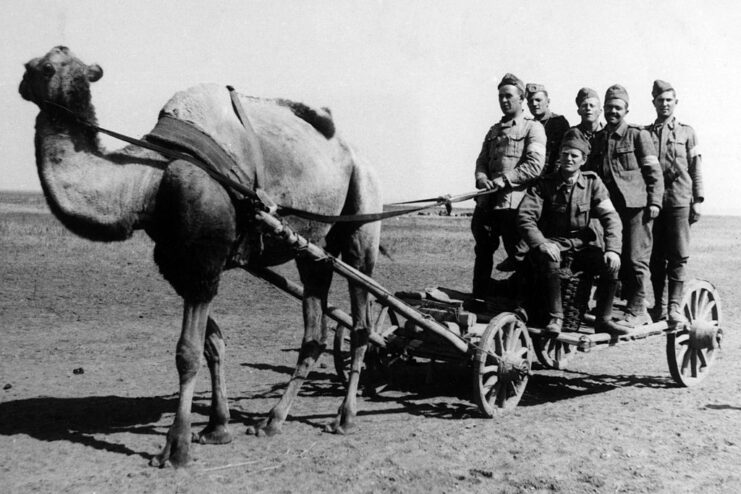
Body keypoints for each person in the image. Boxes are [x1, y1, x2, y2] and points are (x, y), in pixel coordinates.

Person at [518, 130, 626, 334]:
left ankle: (603, 319)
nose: (569, 159)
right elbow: (525, 217)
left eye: (574, 155)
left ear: (583, 160)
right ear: (559, 156)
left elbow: (611, 218)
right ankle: (556, 318)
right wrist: (541, 243)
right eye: (565, 154)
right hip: (552, 244)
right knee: (550, 261)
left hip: (580, 246)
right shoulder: (544, 185)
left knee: (610, 265)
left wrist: (613, 250)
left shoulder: (593, 183)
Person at [586, 85, 664, 325]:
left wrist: (655, 202)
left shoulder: (638, 135)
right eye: (609, 107)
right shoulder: (599, 138)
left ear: (626, 110)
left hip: (636, 206)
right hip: (609, 208)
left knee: (635, 258)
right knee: (610, 256)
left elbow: (654, 172)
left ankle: (638, 309)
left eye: (617, 108)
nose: (612, 112)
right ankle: (607, 308)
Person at [471, 73, 546, 298]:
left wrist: (503, 180)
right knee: (483, 252)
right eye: (501, 96)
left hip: (514, 204)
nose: (504, 101)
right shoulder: (493, 130)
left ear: (522, 99)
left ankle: (525, 304)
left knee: (519, 256)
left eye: (509, 96)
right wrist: (482, 178)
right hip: (487, 203)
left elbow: (535, 165)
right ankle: (479, 297)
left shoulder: (532, 129)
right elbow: (481, 161)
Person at [646, 80, 704, 322]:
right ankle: (658, 304)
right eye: (661, 100)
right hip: (655, 202)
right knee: (655, 255)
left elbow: (696, 167)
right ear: (654, 103)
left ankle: (674, 306)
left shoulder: (687, 132)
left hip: (680, 199)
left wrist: (698, 199)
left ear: (675, 103)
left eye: (669, 100)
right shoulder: (646, 133)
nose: (665, 104)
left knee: (678, 254)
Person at [526, 83, 570, 175]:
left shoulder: (559, 122)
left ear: (548, 102)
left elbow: (563, 153)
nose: (534, 104)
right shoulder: (527, 125)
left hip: (552, 178)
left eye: (538, 100)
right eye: (531, 101)